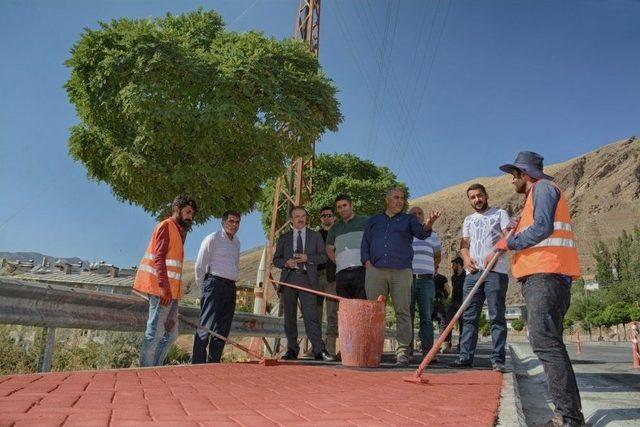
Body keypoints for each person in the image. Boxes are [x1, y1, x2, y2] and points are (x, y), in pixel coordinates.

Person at [495, 151, 583, 426]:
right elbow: (530, 224)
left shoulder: (543, 188)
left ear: (525, 174)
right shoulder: (535, 196)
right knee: (548, 343)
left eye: (514, 175)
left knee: (546, 344)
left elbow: (543, 227)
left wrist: (510, 243)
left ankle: (568, 417)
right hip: (545, 277)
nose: (512, 181)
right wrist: (513, 228)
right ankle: (569, 414)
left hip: (546, 275)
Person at [361, 187, 441, 365]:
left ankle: (403, 352)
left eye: (402, 198)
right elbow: (365, 242)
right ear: (387, 199)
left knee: (403, 312)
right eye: (396, 197)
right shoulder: (374, 220)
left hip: (402, 271)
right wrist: (367, 263)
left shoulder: (409, 219)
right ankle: (373, 351)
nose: (400, 201)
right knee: (374, 312)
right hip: (376, 271)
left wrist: (429, 223)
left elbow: (421, 233)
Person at [449, 183, 510, 373]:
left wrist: (495, 252)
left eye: (479, 195)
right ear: (469, 200)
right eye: (473, 197)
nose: (477, 200)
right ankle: (465, 357)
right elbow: (464, 244)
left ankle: (498, 360)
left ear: (486, 195)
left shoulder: (499, 214)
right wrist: (466, 259)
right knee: (468, 317)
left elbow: (509, 237)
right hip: (473, 275)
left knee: (496, 316)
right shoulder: (468, 220)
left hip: (495, 272)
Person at [133, 195, 197, 367]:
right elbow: (158, 258)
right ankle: (146, 371)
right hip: (161, 290)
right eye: (188, 212)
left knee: (171, 333)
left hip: (172, 292)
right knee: (155, 333)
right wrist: (164, 288)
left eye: (192, 213)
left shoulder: (179, 231)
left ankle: (155, 366)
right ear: (176, 209)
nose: (190, 216)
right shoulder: (166, 226)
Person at [273, 206, 336, 361]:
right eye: (297, 216)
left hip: (308, 279)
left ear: (306, 218)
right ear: (291, 220)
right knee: (290, 316)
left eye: (303, 216)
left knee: (311, 316)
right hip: (289, 280)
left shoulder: (315, 236)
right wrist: (285, 263)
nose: (300, 219)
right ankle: (292, 350)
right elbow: (276, 260)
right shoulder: (284, 237)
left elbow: (323, 257)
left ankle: (319, 350)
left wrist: (308, 258)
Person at [191, 210, 241, 363]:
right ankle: (198, 363)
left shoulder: (237, 242)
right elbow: (200, 264)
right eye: (231, 221)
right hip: (214, 284)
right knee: (206, 325)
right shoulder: (212, 238)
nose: (234, 225)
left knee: (222, 329)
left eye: (237, 222)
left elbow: (235, 263)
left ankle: (214, 363)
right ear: (223, 222)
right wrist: (205, 287)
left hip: (230, 287)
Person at [408, 206, 441, 356]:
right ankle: (406, 352)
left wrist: (431, 270)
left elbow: (437, 256)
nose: (416, 215)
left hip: (427, 281)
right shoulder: (405, 234)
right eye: (413, 214)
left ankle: (428, 352)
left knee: (426, 317)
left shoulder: (432, 235)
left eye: (419, 213)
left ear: (423, 216)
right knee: (406, 316)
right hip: (407, 280)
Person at [326, 194, 369, 299]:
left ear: (351, 205)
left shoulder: (366, 221)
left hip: (363, 272)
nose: (342, 209)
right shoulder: (334, 228)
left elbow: (375, 242)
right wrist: (338, 262)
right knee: (346, 310)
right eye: (339, 207)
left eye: (344, 205)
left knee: (362, 308)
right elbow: (329, 248)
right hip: (342, 274)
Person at [316, 206, 339, 355]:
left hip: (333, 278)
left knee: (332, 313)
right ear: (321, 218)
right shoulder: (316, 235)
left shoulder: (339, 233)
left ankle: (330, 348)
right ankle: (317, 347)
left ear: (334, 217)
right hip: (317, 277)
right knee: (315, 313)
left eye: (329, 215)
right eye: (323, 215)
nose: (326, 217)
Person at [444, 257, 466, 352]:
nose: (452, 266)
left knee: (463, 325)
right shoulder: (453, 277)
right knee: (448, 323)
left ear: (458, 264)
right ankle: (447, 345)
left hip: (463, 303)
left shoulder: (467, 275)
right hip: (453, 303)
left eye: (453, 264)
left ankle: (461, 346)